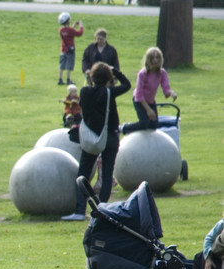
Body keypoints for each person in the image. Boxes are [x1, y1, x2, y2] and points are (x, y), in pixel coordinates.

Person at [61, 61, 131, 221]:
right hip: (110, 137)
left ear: (91, 77)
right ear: (108, 78)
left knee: (83, 174)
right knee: (106, 175)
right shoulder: (108, 93)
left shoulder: (84, 92)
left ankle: (79, 210)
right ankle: (102, 212)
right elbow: (127, 85)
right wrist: (116, 72)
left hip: (90, 137)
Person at [131, 47, 177, 129]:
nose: (155, 60)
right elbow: (139, 94)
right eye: (153, 58)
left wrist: (171, 93)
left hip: (151, 100)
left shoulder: (162, 73)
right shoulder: (142, 74)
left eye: (157, 57)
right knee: (144, 123)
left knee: (154, 125)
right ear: (149, 59)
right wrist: (148, 110)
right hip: (140, 101)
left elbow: (166, 88)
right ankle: (124, 128)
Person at [57, 12, 83, 86]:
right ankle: (68, 79)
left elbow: (68, 31)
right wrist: (81, 26)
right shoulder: (70, 31)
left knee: (62, 65)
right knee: (69, 65)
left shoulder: (61, 30)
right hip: (70, 50)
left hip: (63, 50)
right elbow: (79, 33)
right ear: (68, 20)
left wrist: (73, 26)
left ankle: (60, 79)